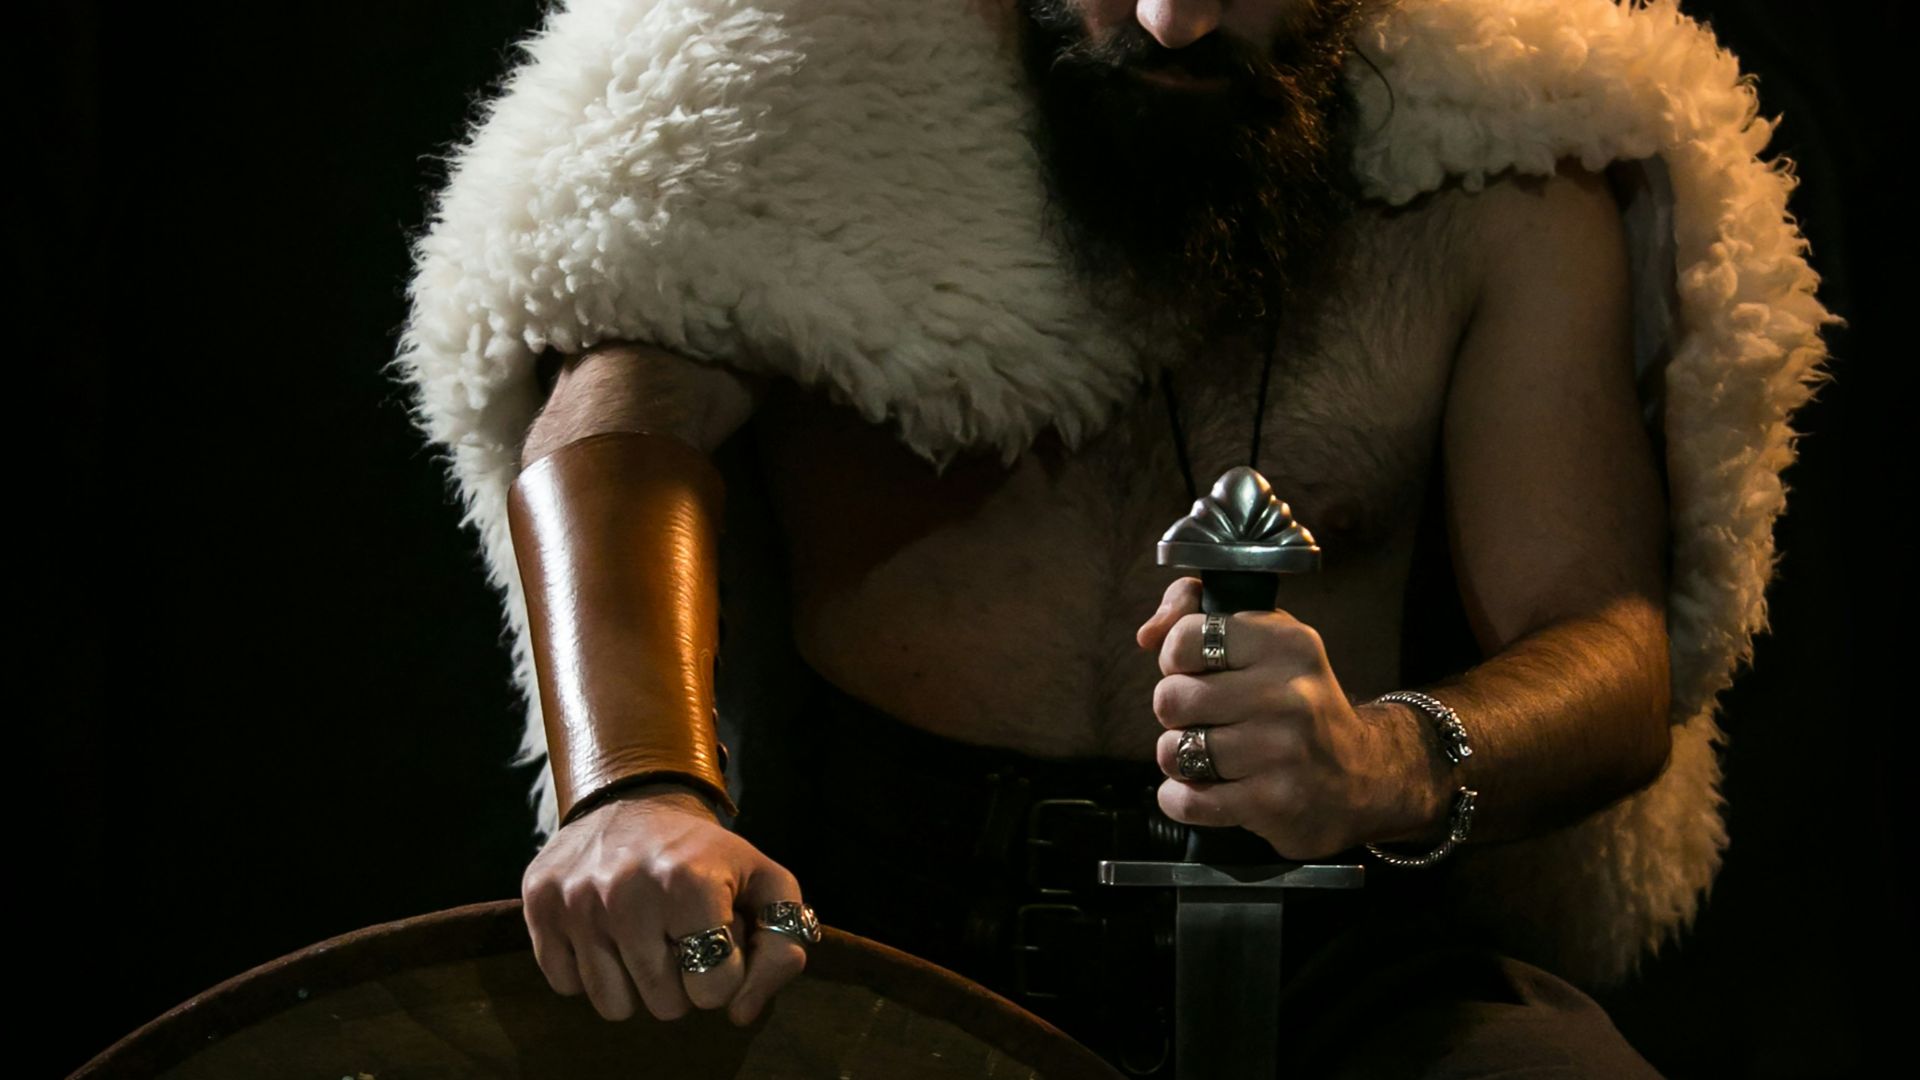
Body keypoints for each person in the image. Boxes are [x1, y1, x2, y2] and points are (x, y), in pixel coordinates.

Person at [395, 0, 1838, 1076]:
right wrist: (639, 793)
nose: (1171, 19)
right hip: (856, 940)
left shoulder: (1500, 186)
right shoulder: (803, 92)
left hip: (1340, 968)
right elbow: (612, 422)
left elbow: (1608, 635)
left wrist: (1383, 760)